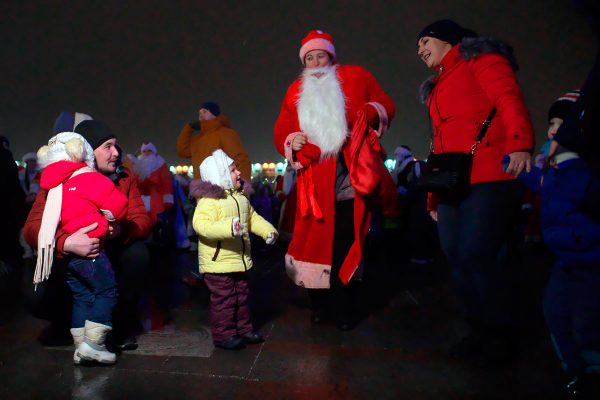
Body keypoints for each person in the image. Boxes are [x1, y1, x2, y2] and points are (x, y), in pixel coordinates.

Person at [417, 19, 535, 363]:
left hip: (490, 174)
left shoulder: (481, 59)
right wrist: (433, 194)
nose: (420, 50)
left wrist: (520, 144)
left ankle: (501, 336)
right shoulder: (437, 85)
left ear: (447, 40)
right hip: (453, 182)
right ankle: (478, 331)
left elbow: (508, 97)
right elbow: (439, 144)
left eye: (425, 41)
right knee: (455, 255)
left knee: (477, 255)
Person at [274, 29, 397, 330]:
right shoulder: (294, 90)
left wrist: (370, 111)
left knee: (345, 244)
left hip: (349, 175)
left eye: (321, 56)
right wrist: (292, 139)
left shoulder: (356, 76)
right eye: (310, 58)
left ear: (331, 57)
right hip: (314, 180)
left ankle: (345, 308)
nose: (316, 63)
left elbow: (384, 103)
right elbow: (282, 127)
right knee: (315, 246)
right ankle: (320, 307)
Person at [24, 120, 153, 351]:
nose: (116, 153)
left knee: (138, 255)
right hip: (70, 258)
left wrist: (121, 230)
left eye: (116, 146)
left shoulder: (125, 178)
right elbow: (32, 228)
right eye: (107, 146)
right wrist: (66, 241)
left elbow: (142, 219)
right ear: (88, 151)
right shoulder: (58, 179)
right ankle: (65, 321)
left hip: (110, 254)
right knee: (37, 295)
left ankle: (118, 323)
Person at [515, 91, 600, 398]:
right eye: (551, 123)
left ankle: (591, 375)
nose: (552, 130)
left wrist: (563, 160)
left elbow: (575, 195)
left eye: (559, 123)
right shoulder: (558, 167)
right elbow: (542, 184)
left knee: (586, 324)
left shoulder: (581, 169)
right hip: (566, 257)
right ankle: (575, 373)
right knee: (555, 312)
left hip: (590, 260)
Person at [35, 132, 128, 365]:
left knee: (82, 296)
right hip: (92, 252)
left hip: (67, 259)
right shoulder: (89, 178)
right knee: (106, 291)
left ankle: (80, 347)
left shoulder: (54, 185)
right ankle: (95, 345)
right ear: (83, 151)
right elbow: (119, 206)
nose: (115, 152)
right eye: (108, 146)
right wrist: (108, 221)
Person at [189, 149, 277, 350]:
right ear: (219, 176)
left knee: (241, 296)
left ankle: (243, 329)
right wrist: (228, 228)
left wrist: (268, 231)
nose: (238, 173)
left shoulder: (240, 198)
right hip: (218, 263)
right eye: (232, 170)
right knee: (224, 300)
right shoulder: (209, 201)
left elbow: (252, 218)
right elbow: (201, 225)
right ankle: (224, 335)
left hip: (238, 260)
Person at [177, 102, 251, 181]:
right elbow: (182, 151)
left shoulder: (225, 133)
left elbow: (240, 159)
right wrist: (188, 128)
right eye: (199, 113)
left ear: (214, 114)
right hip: (201, 189)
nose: (201, 115)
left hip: (222, 188)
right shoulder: (198, 139)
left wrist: (243, 184)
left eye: (205, 112)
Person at [128, 142, 174, 222]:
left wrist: (167, 202)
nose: (146, 153)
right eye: (144, 151)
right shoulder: (137, 164)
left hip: (157, 201)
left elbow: (166, 183)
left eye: (149, 151)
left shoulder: (160, 164)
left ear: (154, 152)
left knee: (157, 225)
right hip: (141, 202)